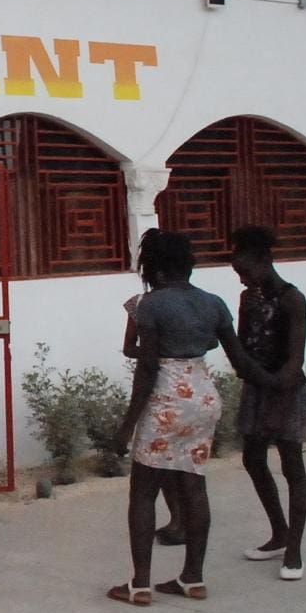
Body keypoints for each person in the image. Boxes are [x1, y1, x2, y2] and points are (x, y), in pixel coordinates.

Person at [109, 232, 253, 606]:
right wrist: (278, 380)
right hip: (203, 395)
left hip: (167, 398)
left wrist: (127, 426)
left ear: (154, 268)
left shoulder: (151, 305)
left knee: (143, 492)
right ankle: (193, 578)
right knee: (194, 486)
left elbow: (148, 367)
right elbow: (239, 358)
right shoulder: (213, 302)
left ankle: (140, 584)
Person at [229, 226, 306, 581]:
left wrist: (276, 396)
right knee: (253, 459)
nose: (242, 279)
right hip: (258, 387)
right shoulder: (247, 298)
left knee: (292, 466)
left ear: (265, 261)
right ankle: (279, 532)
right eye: (238, 273)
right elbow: (242, 348)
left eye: (246, 271)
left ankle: (294, 549)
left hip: (287, 390)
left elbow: (295, 360)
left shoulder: (293, 299)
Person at [122, 228, 185, 546]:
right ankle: (182, 521)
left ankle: (179, 522)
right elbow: (130, 348)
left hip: (158, 391)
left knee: (155, 468)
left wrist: (154, 353)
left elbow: (132, 352)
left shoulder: (144, 304)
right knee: (183, 466)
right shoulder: (195, 301)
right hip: (189, 389)